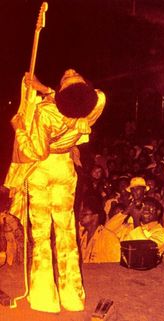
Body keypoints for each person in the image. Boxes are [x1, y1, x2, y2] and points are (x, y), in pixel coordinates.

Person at [4, 69, 106, 313]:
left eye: (67, 78)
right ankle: (72, 297)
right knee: (66, 234)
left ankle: (44, 298)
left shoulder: (46, 111)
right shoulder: (95, 105)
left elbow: (35, 152)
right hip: (65, 171)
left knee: (41, 236)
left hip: (43, 173)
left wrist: (18, 127)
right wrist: (45, 89)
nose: (69, 71)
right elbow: (84, 99)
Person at [78, 196, 121, 263]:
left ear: (95, 216)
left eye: (84, 214)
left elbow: (117, 264)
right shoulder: (83, 237)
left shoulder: (108, 238)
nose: (80, 217)